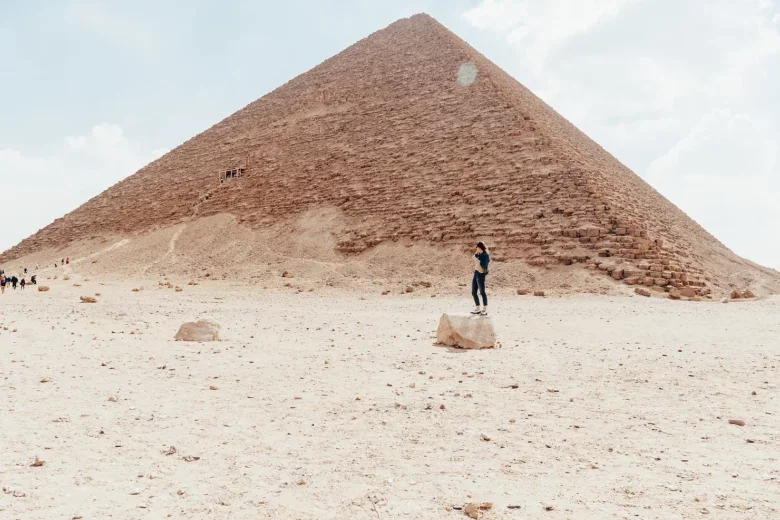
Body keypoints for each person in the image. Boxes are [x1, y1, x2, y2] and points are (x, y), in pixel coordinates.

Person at [470, 241, 490, 316]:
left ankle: (484, 309)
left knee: (482, 292)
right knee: (473, 292)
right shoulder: (478, 254)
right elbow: (473, 258)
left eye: (477, 248)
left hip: (481, 274)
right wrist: (477, 254)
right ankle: (478, 308)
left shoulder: (485, 255)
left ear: (480, 247)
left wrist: (478, 259)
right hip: (476, 273)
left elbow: (484, 265)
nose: (476, 249)